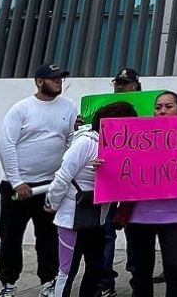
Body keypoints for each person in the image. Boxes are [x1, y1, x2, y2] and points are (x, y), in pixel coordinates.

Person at [117, 90, 177, 297]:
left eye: (168, 107)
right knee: (141, 271)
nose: (162, 111)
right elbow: (120, 168)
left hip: (173, 215)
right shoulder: (138, 137)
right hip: (139, 216)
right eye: (158, 107)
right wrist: (103, 166)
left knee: (174, 267)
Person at [0, 63, 78, 297]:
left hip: (50, 186)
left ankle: (49, 282)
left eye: (61, 78)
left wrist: (64, 177)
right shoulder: (21, 109)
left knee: (48, 236)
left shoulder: (69, 106)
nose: (59, 82)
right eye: (54, 79)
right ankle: (8, 284)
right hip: (18, 187)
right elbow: (7, 146)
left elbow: (71, 139)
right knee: (11, 237)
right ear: (39, 81)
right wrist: (16, 181)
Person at [47, 101, 132, 297]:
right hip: (72, 218)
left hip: (98, 218)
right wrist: (52, 204)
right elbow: (62, 176)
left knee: (95, 268)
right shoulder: (86, 142)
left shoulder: (118, 148)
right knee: (67, 271)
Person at [94, 67, 143, 297]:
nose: (120, 87)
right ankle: (105, 283)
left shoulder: (148, 108)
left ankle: (138, 281)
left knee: (136, 233)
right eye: (118, 83)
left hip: (135, 180)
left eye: (125, 83)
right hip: (108, 179)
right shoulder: (103, 109)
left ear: (136, 86)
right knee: (105, 233)